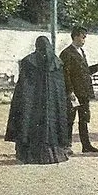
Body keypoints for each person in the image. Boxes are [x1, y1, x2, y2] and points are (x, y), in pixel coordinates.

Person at [5, 36, 70, 164]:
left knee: (31, 124)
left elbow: (23, 87)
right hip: (51, 105)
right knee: (51, 125)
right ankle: (53, 155)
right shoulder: (57, 63)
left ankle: (29, 156)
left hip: (33, 105)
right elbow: (59, 88)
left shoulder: (29, 61)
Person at [61, 26, 98, 153]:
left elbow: (85, 72)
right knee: (69, 120)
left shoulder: (81, 52)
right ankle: (66, 146)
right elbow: (66, 74)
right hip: (74, 93)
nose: (84, 40)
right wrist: (70, 91)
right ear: (75, 36)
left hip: (84, 92)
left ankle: (86, 145)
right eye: (83, 37)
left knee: (84, 119)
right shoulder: (67, 53)